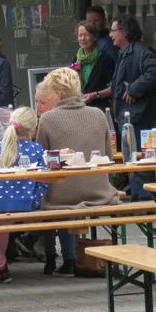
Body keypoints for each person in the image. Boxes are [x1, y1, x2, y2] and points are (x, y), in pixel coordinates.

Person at [36, 67, 120, 276]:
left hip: (61, 195)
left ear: (60, 95)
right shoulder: (98, 115)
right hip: (99, 191)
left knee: (56, 190)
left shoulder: (47, 119)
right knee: (69, 188)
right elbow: (108, 157)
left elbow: (41, 161)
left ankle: (65, 257)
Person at [0, 108, 48, 283]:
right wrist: (34, 198)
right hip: (25, 203)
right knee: (1, 223)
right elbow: (44, 180)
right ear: (32, 129)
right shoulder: (37, 149)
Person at [110, 14, 156, 199]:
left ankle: (146, 203)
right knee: (133, 163)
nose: (110, 35)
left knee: (141, 164)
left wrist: (134, 89)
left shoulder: (141, 51)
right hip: (129, 119)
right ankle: (139, 200)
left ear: (124, 32)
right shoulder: (124, 52)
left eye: (113, 30)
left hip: (140, 119)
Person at [73, 21, 115, 110]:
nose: (83, 38)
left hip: (99, 109)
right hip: (79, 108)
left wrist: (96, 95)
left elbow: (114, 88)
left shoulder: (105, 60)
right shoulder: (76, 59)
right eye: (80, 35)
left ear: (95, 37)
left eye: (87, 35)